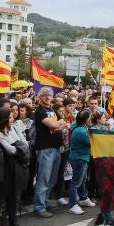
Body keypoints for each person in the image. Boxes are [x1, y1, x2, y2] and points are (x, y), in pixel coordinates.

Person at [33, 87, 69, 218]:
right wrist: (58, 124)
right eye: (45, 95)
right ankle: (39, 207)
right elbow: (55, 125)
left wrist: (57, 124)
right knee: (43, 179)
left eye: (50, 95)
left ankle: (45, 201)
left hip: (56, 148)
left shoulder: (53, 110)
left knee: (52, 179)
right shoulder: (39, 111)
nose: (48, 97)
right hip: (45, 149)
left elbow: (64, 124)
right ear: (40, 97)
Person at [68, 109, 96, 216]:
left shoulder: (80, 128)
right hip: (79, 159)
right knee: (76, 182)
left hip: (80, 158)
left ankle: (83, 198)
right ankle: (73, 205)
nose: (91, 119)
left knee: (82, 180)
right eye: (90, 117)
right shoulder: (82, 131)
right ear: (85, 120)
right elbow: (92, 142)